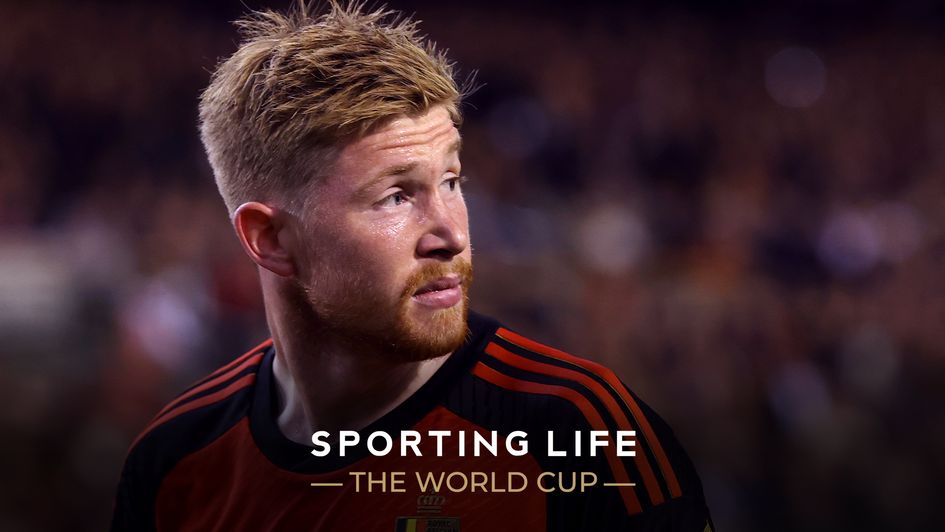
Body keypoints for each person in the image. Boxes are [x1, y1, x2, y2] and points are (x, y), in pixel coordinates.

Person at [111, 2, 713, 530]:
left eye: (452, 180)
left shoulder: (584, 432)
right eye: (396, 196)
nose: (453, 234)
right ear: (270, 239)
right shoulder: (173, 462)